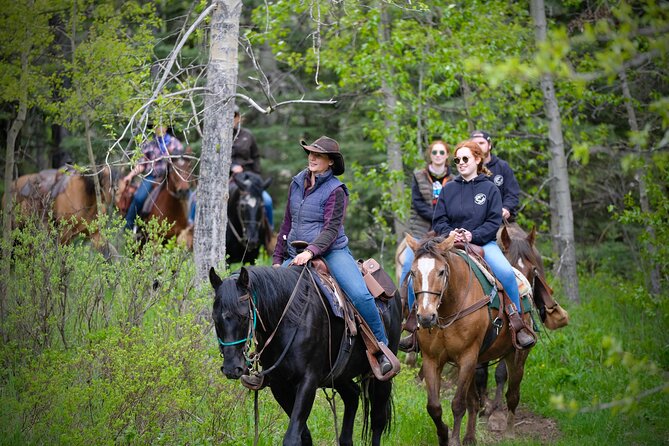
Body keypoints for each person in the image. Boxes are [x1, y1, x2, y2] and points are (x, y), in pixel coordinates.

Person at [272, 136, 395, 374]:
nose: (312, 157)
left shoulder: (336, 190)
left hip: (332, 251)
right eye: (310, 153)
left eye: (318, 155)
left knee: (360, 295)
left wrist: (310, 251)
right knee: (270, 295)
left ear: (330, 162)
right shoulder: (296, 183)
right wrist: (277, 261)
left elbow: (331, 229)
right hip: (296, 253)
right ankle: (266, 359)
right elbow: (286, 224)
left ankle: (381, 349)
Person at [432, 140, 535, 349]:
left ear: (477, 159)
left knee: (506, 274)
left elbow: (493, 221)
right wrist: (450, 233)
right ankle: (415, 326)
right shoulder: (448, 189)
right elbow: (439, 220)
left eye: (465, 159)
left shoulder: (490, 189)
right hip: (450, 244)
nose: (460, 163)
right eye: (457, 160)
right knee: (422, 269)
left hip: (483, 244)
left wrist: (472, 235)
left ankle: (518, 324)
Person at [398, 140, 452, 350]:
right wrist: (436, 215)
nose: (438, 155)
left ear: (447, 156)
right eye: (435, 152)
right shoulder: (419, 176)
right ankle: (408, 314)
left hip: (443, 229)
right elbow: (418, 203)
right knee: (408, 266)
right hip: (421, 229)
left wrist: (441, 221)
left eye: (442, 152)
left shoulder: (454, 179)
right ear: (430, 155)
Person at [123, 125, 184, 230]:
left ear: (166, 127)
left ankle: (189, 227)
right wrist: (130, 175)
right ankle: (128, 227)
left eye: (161, 125)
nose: (159, 128)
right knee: (139, 198)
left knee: (188, 196)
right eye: (156, 126)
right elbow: (142, 164)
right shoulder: (149, 144)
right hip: (152, 177)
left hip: (171, 177)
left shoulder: (175, 143)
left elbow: (181, 162)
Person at [230, 106, 273, 228]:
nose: (231, 118)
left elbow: (256, 157)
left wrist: (257, 178)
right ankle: (192, 227)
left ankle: (270, 232)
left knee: (268, 201)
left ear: (238, 117)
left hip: (249, 176)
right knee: (197, 199)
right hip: (229, 178)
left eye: (234, 115)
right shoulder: (218, 136)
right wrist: (231, 167)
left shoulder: (248, 135)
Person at [470, 130, 520, 221]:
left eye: (481, 143)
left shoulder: (502, 167)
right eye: (474, 144)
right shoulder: (466, 168)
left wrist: (506, 208)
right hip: (474, 221)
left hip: (501, 220)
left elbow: (512, 193)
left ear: (489, 145)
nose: (478, 146)